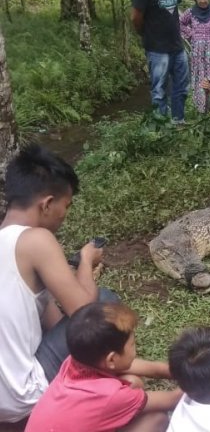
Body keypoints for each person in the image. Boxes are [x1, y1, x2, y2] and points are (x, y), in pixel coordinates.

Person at [0, 145, 110, 423]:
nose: (65, 214)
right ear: (47, 204)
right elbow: (86, 314)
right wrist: (86, 262)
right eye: (66, 205)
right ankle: (97, 391)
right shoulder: (36, 239)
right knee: (106, 302)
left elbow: (53, 319)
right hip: (21, 395)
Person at [25, 302, 182, 432]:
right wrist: (201, 373)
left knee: (132, 382)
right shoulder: (111, 395)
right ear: (112, 358)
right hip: (107, 400)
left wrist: (176, 370)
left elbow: (133, 367)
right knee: (156, 418)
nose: (136, 349)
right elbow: (171, 400)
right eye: (132, 344)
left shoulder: (74, 361)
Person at [131, 0, 189, 124]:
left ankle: (178, 121)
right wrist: (145, 34)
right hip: (157, 48)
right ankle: (161, 127)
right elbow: (135, 17)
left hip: (177, 46)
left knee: (181, 86)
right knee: (159, 90)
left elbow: (174, 10)